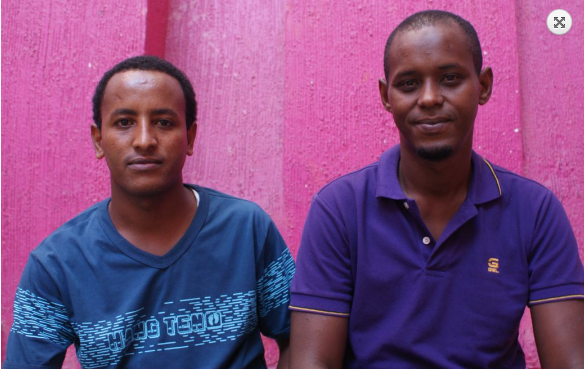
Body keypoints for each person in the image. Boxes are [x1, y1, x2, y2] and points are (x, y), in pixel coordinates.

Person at [289, 10, 584, 369]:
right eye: (409, 83)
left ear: (484, 86)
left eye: (450, 78)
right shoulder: (339, 208)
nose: (429, 98)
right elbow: (312, 362)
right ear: (386, 96)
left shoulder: (534, 210)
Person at [4, 56, 294, 369]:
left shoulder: (246, 229)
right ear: (99, 140)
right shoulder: (56, 263)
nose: (144, 140)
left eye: (164, 122)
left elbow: (300, 340)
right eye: (124, 122)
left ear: (190, 137)